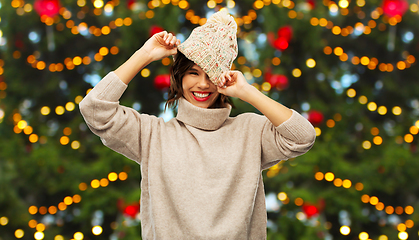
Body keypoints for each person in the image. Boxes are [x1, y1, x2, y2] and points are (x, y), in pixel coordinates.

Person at [80, 10, 316, 240]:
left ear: (224, 77)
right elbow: (95, 109)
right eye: (193, 73)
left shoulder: (250, 132)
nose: (203, 84)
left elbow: (302, 137)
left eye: (211, 73)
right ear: (179, 76)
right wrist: (145, 54)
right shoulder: (152, 135)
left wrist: (248, 92)